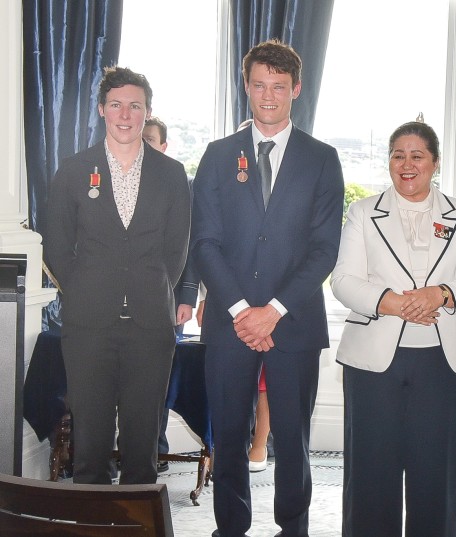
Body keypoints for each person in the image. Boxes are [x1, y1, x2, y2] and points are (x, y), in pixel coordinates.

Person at [191, 39, 344, 537]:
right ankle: (229, 527)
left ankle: (293, 527)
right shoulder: (217, 157)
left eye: (279, 86)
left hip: (293, 323)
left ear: (296, 89)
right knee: (229, 434)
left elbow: (324, 249)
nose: (269, 95)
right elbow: (205, 243)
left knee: (294, 438)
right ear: (246, 86)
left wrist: (272, 310)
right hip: (228, 324)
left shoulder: (323, 159)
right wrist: (241, 310)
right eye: (259, 84)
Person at [331, 120, 456, 537]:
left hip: (444, 363)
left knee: (438, 476)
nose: (407, 164)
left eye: (417, 155)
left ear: (435, 162)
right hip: (372, 363)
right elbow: (343, 280)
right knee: (370, 475)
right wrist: (395, 303)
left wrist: (440, 293)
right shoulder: (363, 211)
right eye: (398, 155)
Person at [44, 66, 191, 485]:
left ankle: (135, 525)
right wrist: (87, 292)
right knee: (89, 446)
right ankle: (92, 527)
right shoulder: (73, 171)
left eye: (135, 106)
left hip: (150, 327)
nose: (125, 115)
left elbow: (176, 252)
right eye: (116, 105)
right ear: (101, 110)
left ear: (147, 113)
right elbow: (56, 247)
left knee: (142, 446)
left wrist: (146, 290)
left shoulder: (172, 175)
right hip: (88, 324)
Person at [142, 115, 200, 472]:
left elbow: (189, 244)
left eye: (151, 139)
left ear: (163, 145)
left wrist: (187, 297)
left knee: (157, 379)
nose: (144, 143)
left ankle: (154, 449)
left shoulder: (179, 181)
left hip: (167, 300)